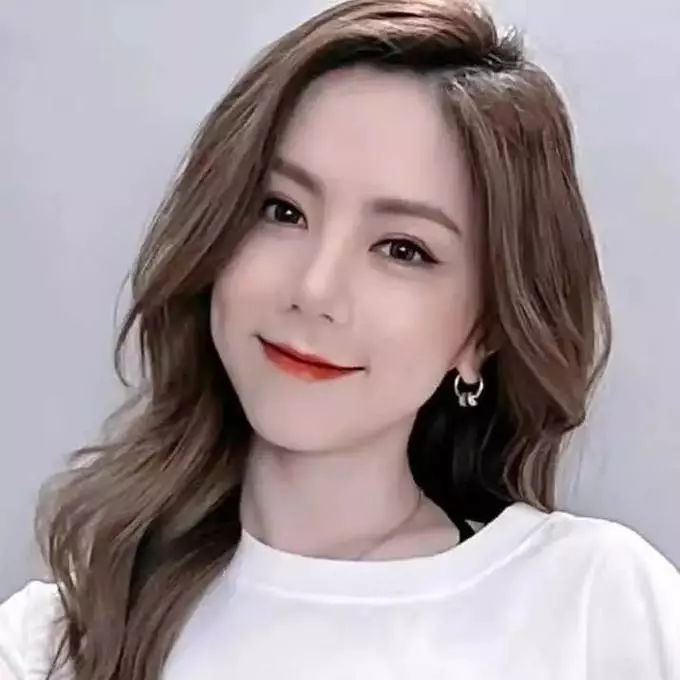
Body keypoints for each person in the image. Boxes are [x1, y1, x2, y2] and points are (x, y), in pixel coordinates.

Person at [1, 0, 679, 678]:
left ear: (484, 333)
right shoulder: (55, 641)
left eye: (403, 249)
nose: (315, 289)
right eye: (282, 210)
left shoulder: (595, 607)